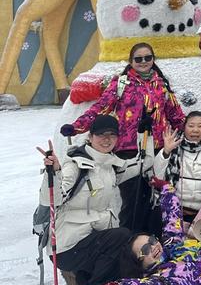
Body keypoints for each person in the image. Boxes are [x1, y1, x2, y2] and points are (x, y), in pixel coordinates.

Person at [60, 43, 185, 230]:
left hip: (157, 148)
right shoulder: (122, 83)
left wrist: (193, 131)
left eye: (147, 58)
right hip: (128, 150)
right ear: (131, 61)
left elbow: (175, 114)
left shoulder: (161, 85)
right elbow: (100, 108)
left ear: (153, 59)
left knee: (155, 199)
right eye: (138, 59)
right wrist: (77, 126)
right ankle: (131, 242)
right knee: (133, 201)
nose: (143, 62)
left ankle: (153, 245)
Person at [36, 115, 151, 285]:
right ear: (90, 137)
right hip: (67, 245)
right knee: (121, 237)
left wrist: (146, 135)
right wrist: (54, 172)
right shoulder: (75, 164)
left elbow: (143, 164)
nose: (107, 139)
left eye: (112, 135)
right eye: (101, 134)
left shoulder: (110, 166)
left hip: (91, 239)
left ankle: (79, 278)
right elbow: (51, 200)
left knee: (119, 250)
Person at [152, 111, 201, 247]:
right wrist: (166, 151)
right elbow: (157, 176)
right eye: (191, 126)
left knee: (198, 253)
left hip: (200, 216)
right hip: (172, 211)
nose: (195, 130)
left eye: (200, 126)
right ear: (184, 127)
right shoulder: (174, 145)